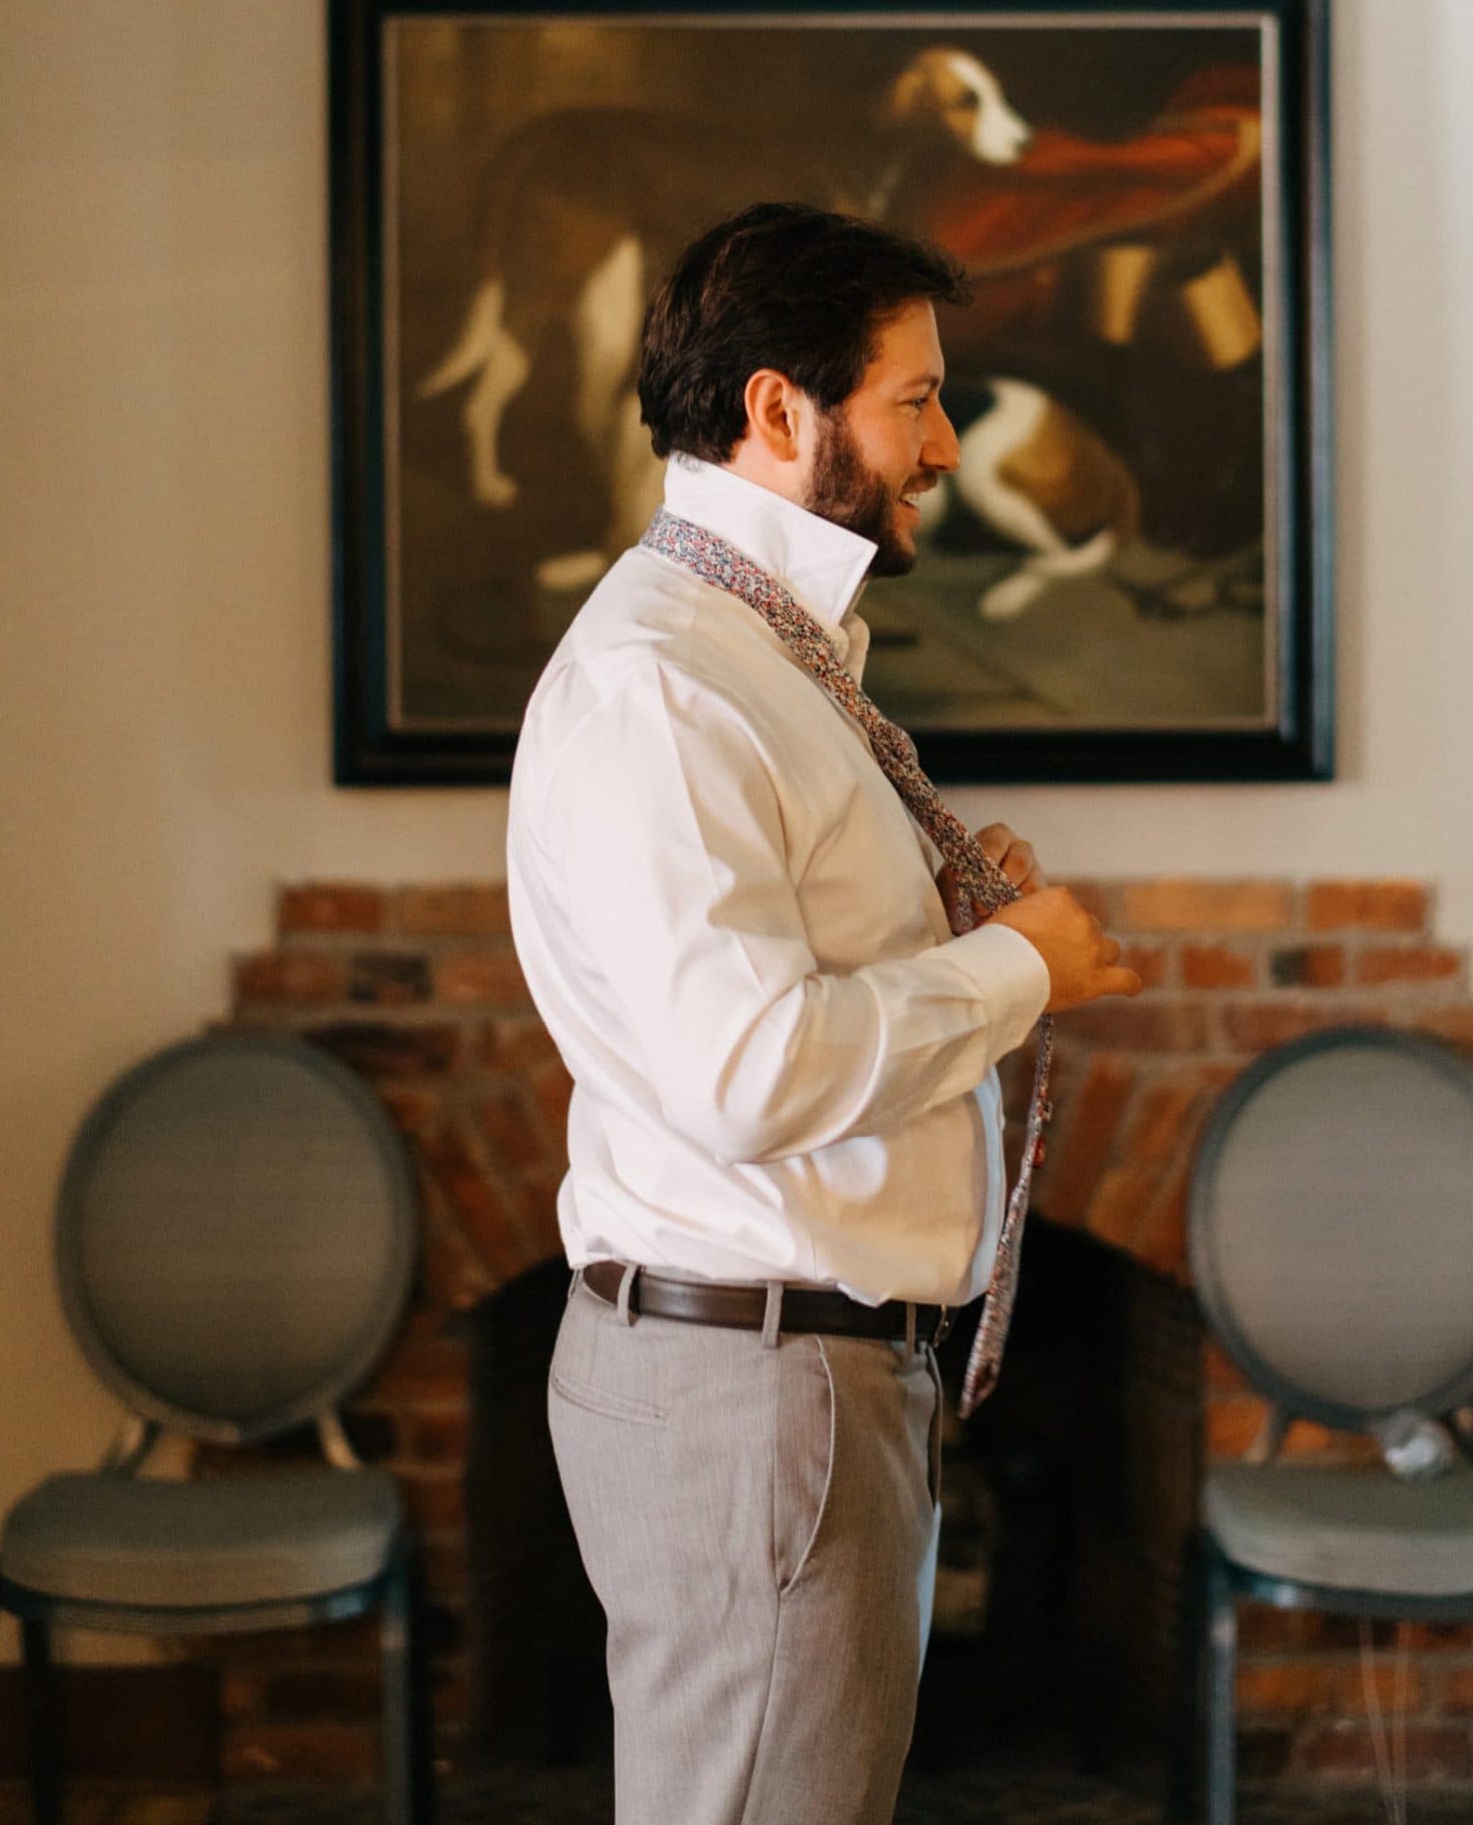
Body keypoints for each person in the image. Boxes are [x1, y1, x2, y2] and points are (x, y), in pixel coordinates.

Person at [507, 201, 1141, 1825]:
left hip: (796, 1382)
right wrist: (1020, 972)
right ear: (780, 410)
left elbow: (771, 984)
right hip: (755, 1395)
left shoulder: (762, 653)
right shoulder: (670, 683)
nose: (945, 442)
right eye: (914, 397)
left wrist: (939, 915)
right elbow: (743, 1069)